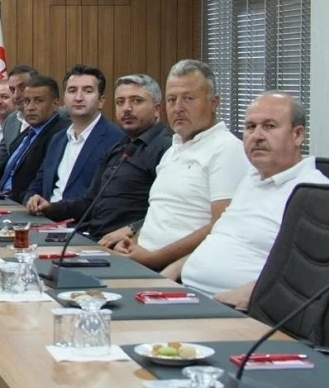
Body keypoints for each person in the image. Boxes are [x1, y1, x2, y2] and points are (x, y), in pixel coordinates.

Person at [165, 92, 329, 308]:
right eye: (250, 127)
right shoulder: (251, 178)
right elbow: (222, 238)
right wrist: (174, 270)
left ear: (297, 135)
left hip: (237, 310)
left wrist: (252, 295)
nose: (257, 136)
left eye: (269, 126)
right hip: (187, 293)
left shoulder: (316, 192)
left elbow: (310, 275)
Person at [104, 60, 250, 271]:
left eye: (188, 99)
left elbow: (221, 226)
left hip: (174, 271)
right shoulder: (173, 150)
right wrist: (132, 242)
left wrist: (154, 258)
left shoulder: (227, 149)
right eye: (172, 100)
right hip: (140, 261)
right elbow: (161, 214)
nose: (178, 108)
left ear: (214, 102)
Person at [31, 74, 174, 239]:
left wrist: (132, 230)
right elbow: (89, 201)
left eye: (136, 101)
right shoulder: (120, 147)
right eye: (120, 102)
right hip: (92, 236)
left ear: (157, 109)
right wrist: (50, 207)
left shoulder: (167, 148)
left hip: (127, 243)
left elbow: (170, 210)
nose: (127, 108)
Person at [0, 75, 68, 201]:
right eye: (27, 101)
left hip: (19, 203)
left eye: (38, 101)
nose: (30, 107)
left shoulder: (59, 136)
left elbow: (40, 183)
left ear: (55, 104)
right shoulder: (26, 133)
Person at [24, 65, 124, 205]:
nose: (78, 97)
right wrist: (32, 199)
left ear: (101, 101)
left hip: (79, 217)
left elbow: (102, 199)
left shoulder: (116, 140)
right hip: (43, 216)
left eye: (87, 91)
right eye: (72, 90)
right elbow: (39, 182)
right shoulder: (58, 139)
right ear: (64, 99)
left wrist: (53, 209)